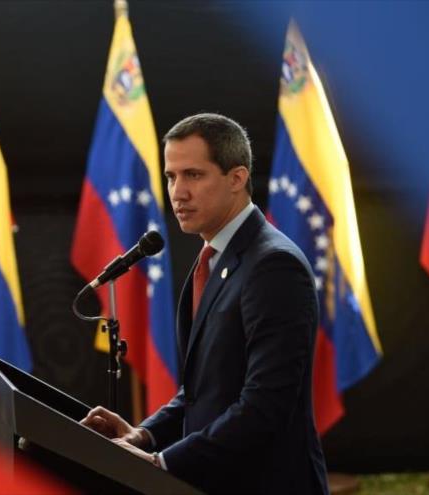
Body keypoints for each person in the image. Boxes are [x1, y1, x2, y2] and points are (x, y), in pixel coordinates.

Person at [81, 113, 329, 494]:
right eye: (170, 177)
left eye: (193, 175)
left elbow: (264, 405)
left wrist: (162, 462)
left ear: (237, 178)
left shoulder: (273, 265)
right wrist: (144, 436)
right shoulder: (215, 256)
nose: (178, 192)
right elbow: (205, 390)